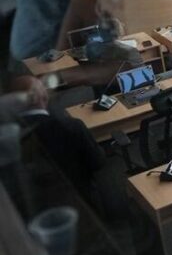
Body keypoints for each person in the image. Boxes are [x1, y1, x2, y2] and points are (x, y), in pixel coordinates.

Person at [13, 75, 106, 205]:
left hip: (33, 203)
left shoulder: (8, 136)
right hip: (80, 197)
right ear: (43, 97)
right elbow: (97, 162)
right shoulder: (71, 126)